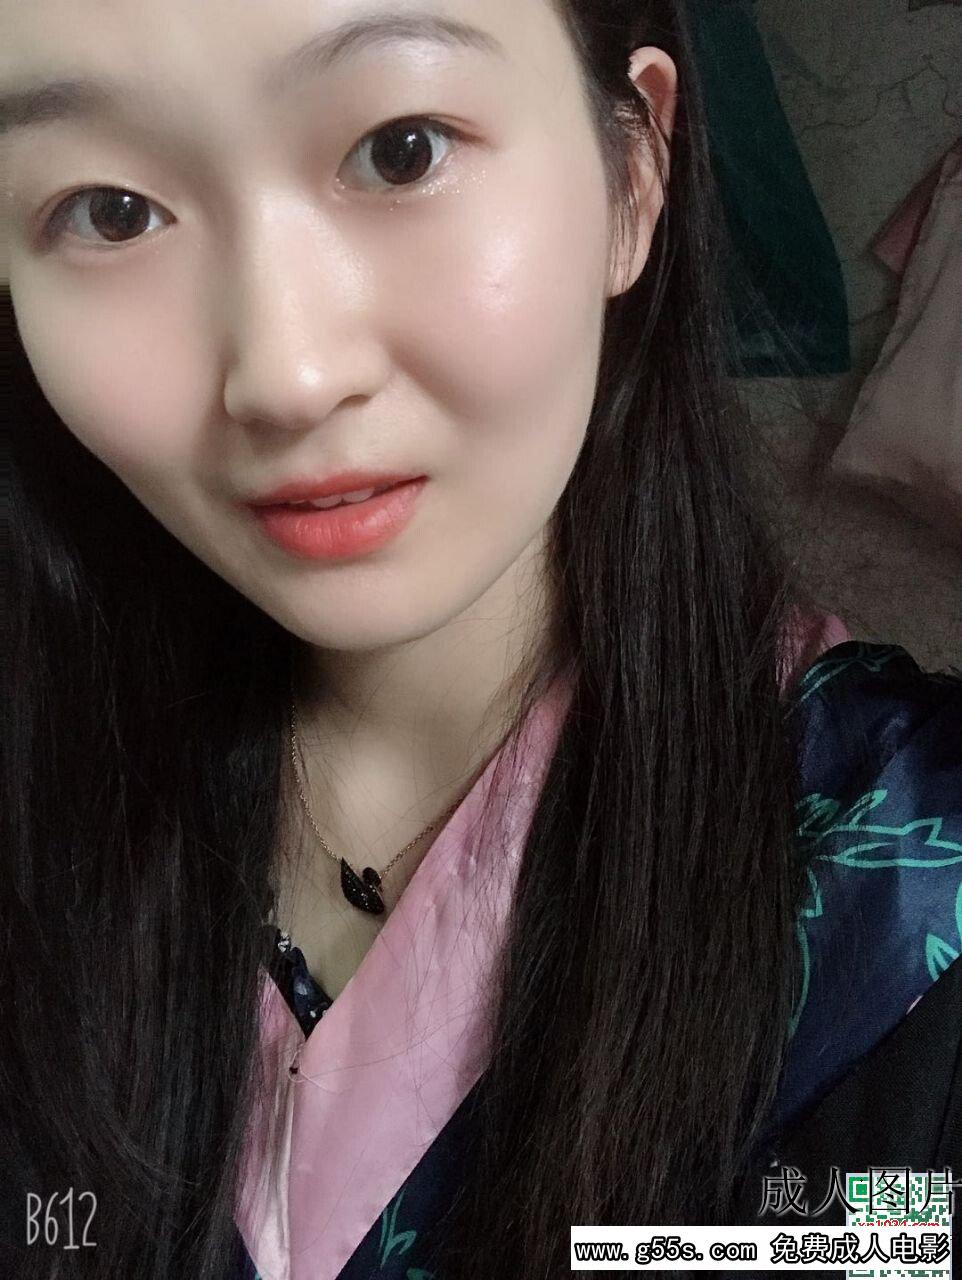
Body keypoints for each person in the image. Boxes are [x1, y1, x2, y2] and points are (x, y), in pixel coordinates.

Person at [1, 1, 959, 1278]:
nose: (284, 374)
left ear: (631, 172)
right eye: (111, 212)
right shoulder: (46, 763)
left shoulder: (908, 892)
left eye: (401, 150)